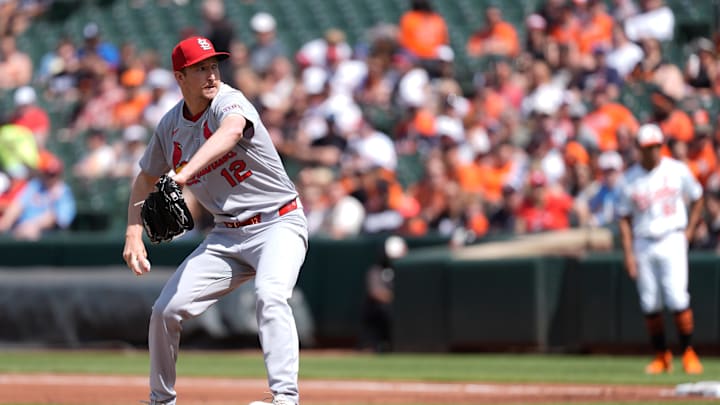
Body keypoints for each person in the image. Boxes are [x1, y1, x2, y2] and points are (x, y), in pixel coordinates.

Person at [122, 36, 308, 405]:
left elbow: (232, 131)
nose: (211, 75)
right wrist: (133, 233)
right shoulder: (171, 125)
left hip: (278, 222)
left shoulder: (230, 100)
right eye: (200, 69)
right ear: (180, 76)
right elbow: (145, 177)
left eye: (213, 65)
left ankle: (285, 399)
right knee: (165, 311)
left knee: (271, 295)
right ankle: (160, 400)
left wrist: (182, 174)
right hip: (227, 235)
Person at [617, 123, 704, 375]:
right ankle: (661, 356)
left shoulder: (676, 170)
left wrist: (688, 232)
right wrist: (628, 253)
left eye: (656, 146)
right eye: (647, 147)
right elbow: (623, 218)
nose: (652, 152)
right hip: (643, 241)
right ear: (639, 149)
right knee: (650, 302)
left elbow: (697, 196)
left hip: (672, 237)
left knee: (677, 296)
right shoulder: (629, 179)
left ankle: (688, 352)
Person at [0, 150, 76, 240]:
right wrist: (5, 222)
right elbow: (18, 205)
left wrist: (33, 225)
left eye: (53, 175)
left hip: (47, 237)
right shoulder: (36, 185)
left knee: (31, 234)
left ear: (59, 175)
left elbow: (58, 219)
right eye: (47, 174)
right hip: (21, 230)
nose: (50, 178)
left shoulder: (64, 193)